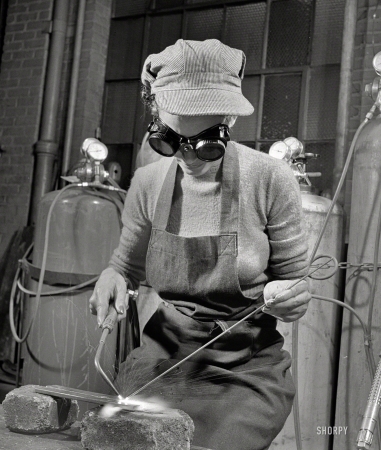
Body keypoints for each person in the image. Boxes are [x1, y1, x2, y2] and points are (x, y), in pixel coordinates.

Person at [89, 39, 311, 450]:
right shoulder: (149, 183)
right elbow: (126, 264)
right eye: (171, 141)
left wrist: (290, 297)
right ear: (155, 118)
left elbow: (297, 285)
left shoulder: (270, 180)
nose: (188, 158)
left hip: (245, 368)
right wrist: (112, 274)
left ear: (230, 118)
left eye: (207, 141)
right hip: (162, 358)